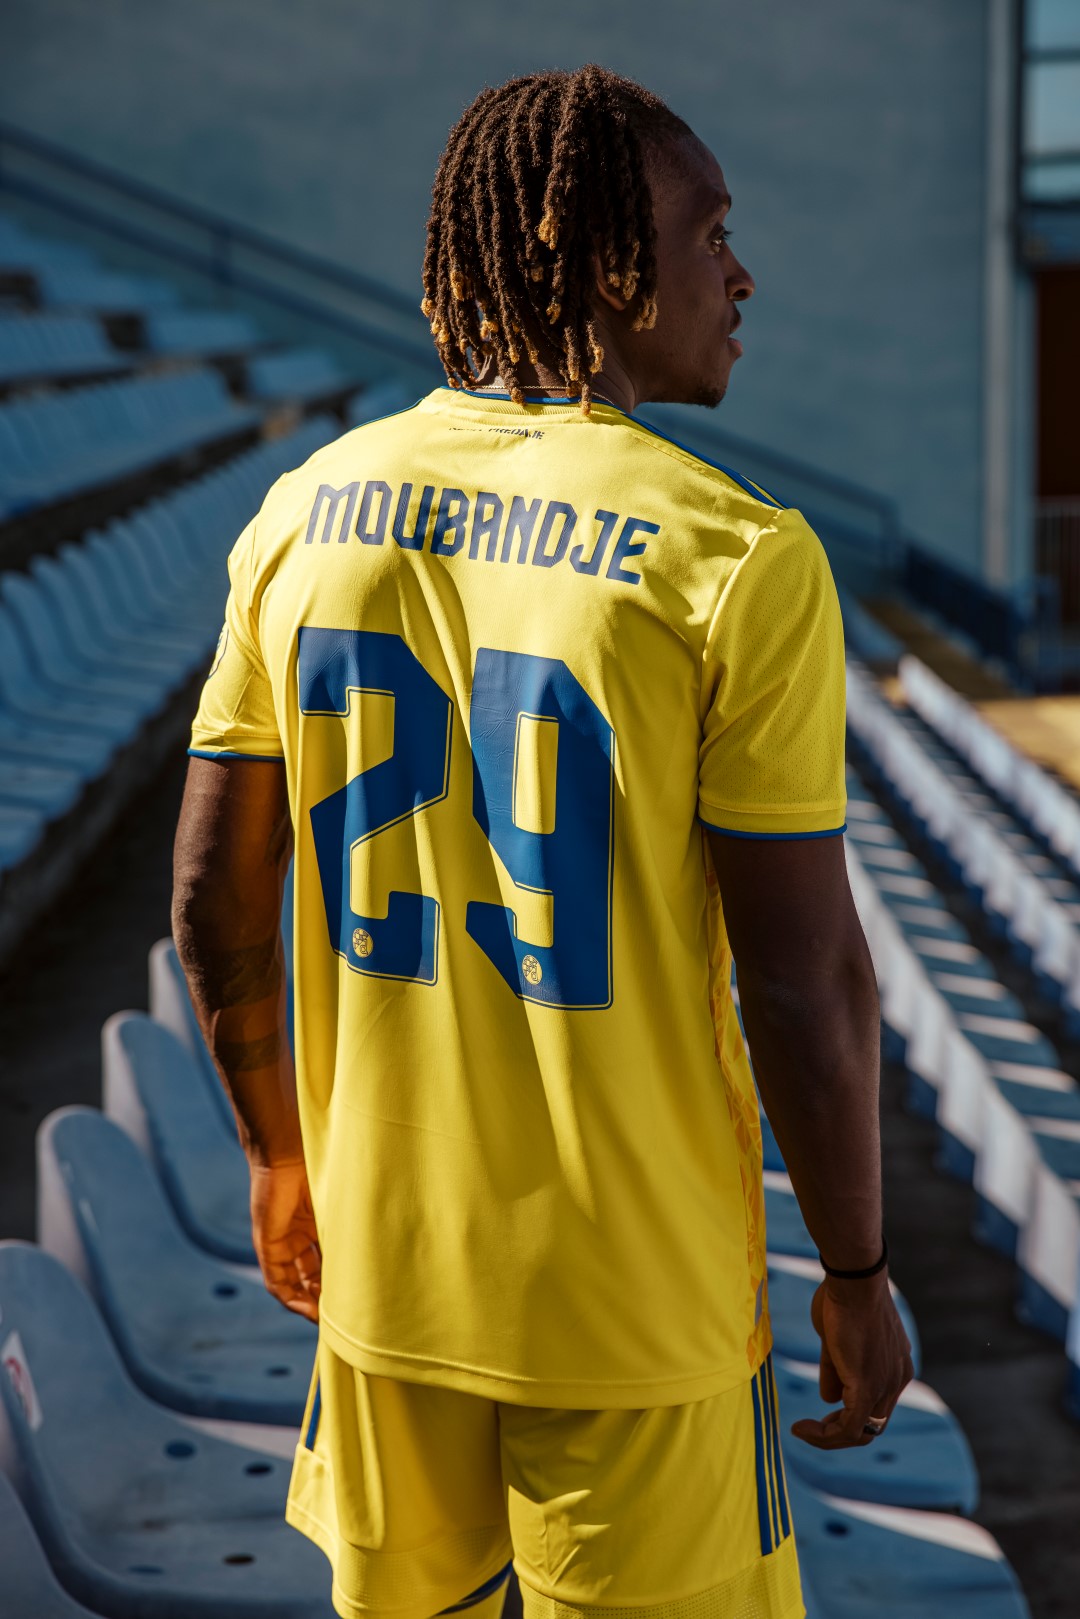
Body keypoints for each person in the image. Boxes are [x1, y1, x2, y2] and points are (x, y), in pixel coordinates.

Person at [173, 63, 912, 1619]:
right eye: (712, 234)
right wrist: (855, 1274)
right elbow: (806, 988)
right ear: (603, 259)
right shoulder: (737, 555)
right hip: (633, 1306)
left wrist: (282, 1158)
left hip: (385, 1281)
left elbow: (210, 899)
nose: (741, 277)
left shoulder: (305, 510)